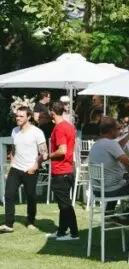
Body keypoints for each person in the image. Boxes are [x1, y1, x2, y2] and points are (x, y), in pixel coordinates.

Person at [1, 106, 48, 233]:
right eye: (17, 116)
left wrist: (35, 166)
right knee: (9, 195)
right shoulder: (14, 131)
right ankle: (8, 224)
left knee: (31, 197)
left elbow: (44, 154)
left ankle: (31, 220)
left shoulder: (37, 132)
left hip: (30, 169)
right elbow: (14, 150)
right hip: (16, 168)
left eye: (21, 116)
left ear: (28, 117)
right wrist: (10, 166)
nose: (18, 118)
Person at [46, 102, 79, 240]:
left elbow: (62, 150)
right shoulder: (69, 126)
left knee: (65, 204)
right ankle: (61, 230)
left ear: (52, 112)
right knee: (63, 203)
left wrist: (48, 156)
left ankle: (74, 233)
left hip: (61, 170)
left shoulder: (59, 128)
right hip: (68, 170)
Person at [88, 117, 129, 215]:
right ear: (111, 130)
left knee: (122, 181)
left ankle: (109, 213)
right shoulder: (111, 144)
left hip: (97, 190)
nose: (120, 131)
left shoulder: (96, 144)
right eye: (118, 129)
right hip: (110, 190)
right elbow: (127, 162)